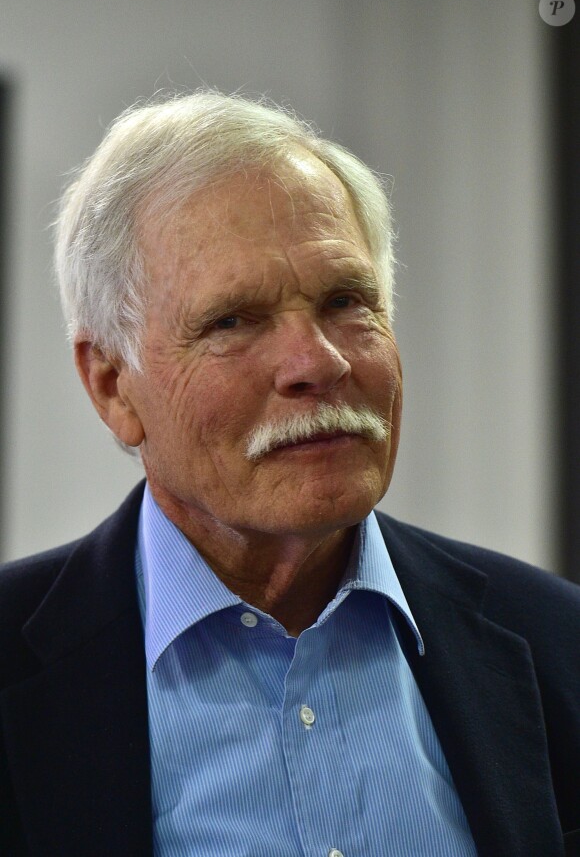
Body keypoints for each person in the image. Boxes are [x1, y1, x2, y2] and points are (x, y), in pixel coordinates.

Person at [0, 92, 578, 857]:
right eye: (233, 320)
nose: (319, 363)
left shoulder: (556, 641)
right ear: (112, 384)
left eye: (347, 302)